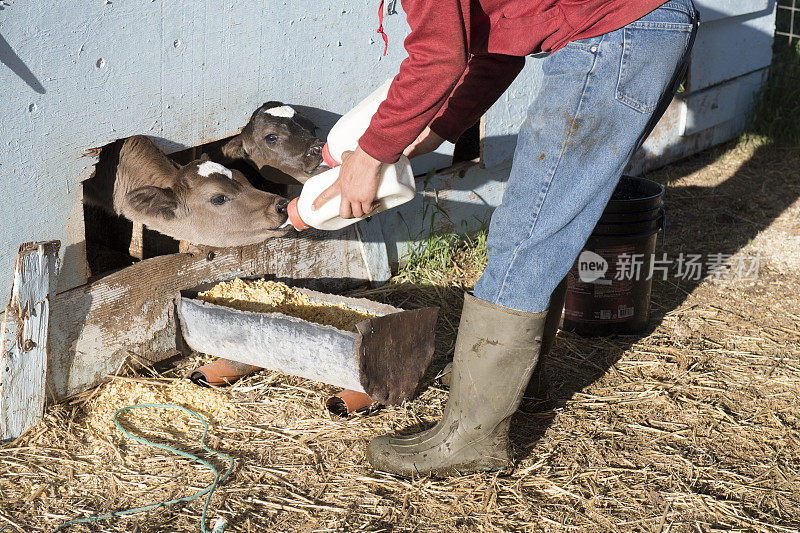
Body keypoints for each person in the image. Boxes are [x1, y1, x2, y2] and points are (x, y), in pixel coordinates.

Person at [313, 0, 699, 476]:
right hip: (639, 24)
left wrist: (370, 156)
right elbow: (502, 44)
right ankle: (516, 388)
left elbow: (438, 57)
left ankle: (471, 439)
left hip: (615, 33)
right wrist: (439, 127)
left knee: (526, 230)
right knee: (550, 221)